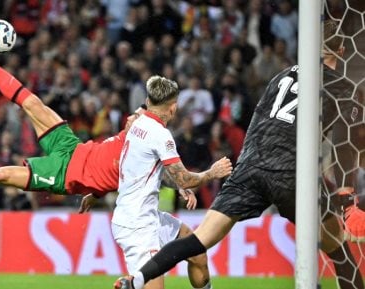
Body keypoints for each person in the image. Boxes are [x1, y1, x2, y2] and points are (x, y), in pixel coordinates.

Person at [0, 31, 213, 288]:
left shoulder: (144, 145)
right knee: (32, 102)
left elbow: (146, 177)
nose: (136, 118)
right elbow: (152, 172)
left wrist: (98, 189)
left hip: (67, 174)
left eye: (141, 114)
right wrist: (100, 191)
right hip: (74, 148)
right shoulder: (139, 133)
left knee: (1, 174)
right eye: (136, 113)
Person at [114, 20, 365, 289]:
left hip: (250, 167)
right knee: (338, 250)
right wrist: (346, 195)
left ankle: (137, 280)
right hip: (291, 172)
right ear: (341, 49)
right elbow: (344, 144)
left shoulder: (281, 76)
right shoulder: (343, 88)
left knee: (199, 240)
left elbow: (259, 117)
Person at [112, 75, 232, 289]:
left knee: (195, 249)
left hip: (145, 216)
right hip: (137, 225)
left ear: (148, 101)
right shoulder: (160, 134)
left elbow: (160, 172)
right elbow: (185, 177)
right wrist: (212, 173)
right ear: (174, 108)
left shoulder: (137, 124)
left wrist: (178, 185)